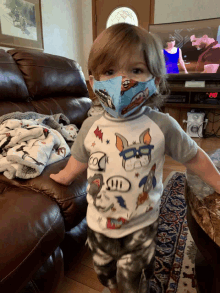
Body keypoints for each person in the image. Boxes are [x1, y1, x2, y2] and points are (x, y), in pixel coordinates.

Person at [50, 23, 220, 293]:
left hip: (141, 224)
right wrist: (65, 176)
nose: (122, 81)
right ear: (93, 83)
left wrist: (218, 182)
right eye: (109, 71)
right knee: (105, 274)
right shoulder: (90, 127)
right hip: (98, 224)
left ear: (155, 81)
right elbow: (79, 159)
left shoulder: (163, 126)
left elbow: (194, 157)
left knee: (131, 279)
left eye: (136, 70)